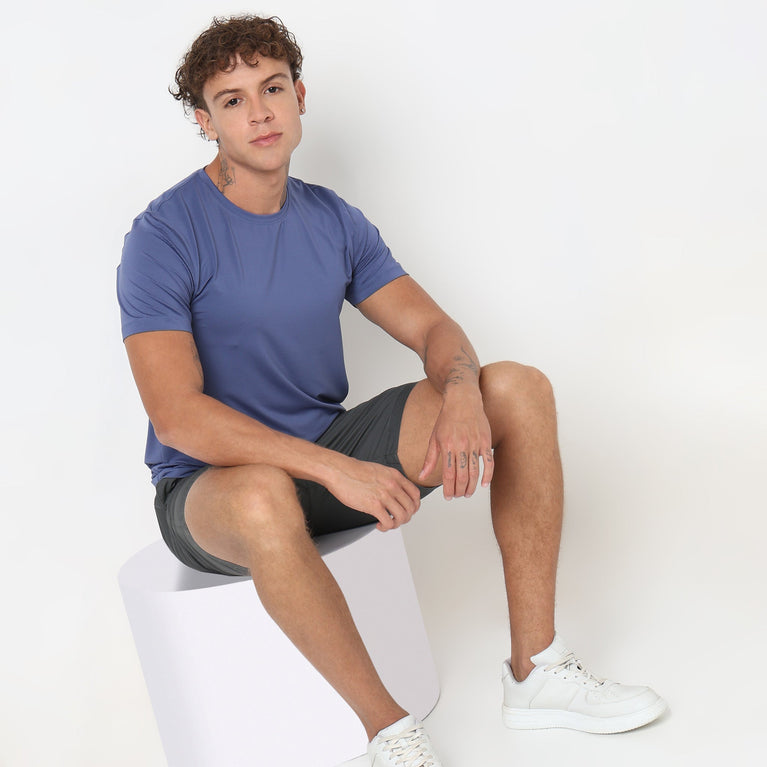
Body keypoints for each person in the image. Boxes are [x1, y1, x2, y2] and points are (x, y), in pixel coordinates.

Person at [117, 14, 666, 766]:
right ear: (204, 121)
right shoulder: (164, 235)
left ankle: (536, 671)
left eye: (272, 88)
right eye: (233, 100)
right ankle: (389, 731)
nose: (260, 113)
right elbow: (178, 417)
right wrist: (335, 469)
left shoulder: (331, 219)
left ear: (300, 96)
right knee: (262, 496)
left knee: (517, 388)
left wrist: (464, 393)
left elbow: (435, 329)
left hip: (322, 452)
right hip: (211, 489)